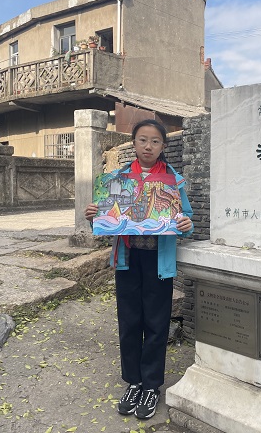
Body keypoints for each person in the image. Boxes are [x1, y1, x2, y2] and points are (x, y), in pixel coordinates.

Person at [84, 119, 193, 419]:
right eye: (142, 140)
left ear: (163, 146)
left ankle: (152, 386)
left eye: (155, 141)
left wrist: (186, 223)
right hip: (128, 260)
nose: (148, 146)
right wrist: (94, 216)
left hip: (158, 262)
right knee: (129, 321)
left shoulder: (173, 181)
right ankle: (134, 382)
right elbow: (107, 219)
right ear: (133, 143)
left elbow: (187, 218)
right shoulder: (117, 179)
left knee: (157, 324)